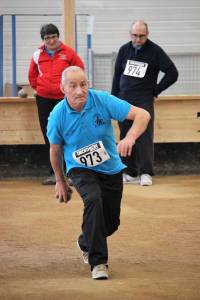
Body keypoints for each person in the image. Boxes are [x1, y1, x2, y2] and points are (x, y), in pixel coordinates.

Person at [47, 66, 150, 280]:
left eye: (83, 84)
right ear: (63, 88)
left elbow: (142, 114)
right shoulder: (57, 115)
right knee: (93, 200)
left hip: (110, 167)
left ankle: (85, 242)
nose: (79, 91)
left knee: (111, 223)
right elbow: (55, 150)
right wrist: (60, 180)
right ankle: (98, 263)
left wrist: (130, 137)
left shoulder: (102, 100)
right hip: (79, 167)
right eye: (73, 86)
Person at [111, 20, 178, 186]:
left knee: (144, 136)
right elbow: (117, 75)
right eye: (135, 35)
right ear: (130, 34)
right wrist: (113, 99)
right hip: (123, 99)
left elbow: (172, 73)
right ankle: (130, 172)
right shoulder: (124, 50)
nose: (138, 39)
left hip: (143, 99)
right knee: (125, 135)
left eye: (141, 36)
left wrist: (156, 90)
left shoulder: (155, 51)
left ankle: (146, 172)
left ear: (147, 35)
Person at [28, 23, 84, 185]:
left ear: (57, 36)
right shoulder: (37, 54)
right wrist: (39, 88)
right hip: (44, 99)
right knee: (50, 135)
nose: (51, 41)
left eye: (53, 37)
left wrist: (72, 90)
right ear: (43, 40)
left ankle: (72, 172)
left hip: (64, 99)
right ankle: (55, 173)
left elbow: (79, 70)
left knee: (69, 133)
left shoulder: (68, 53)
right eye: (47, 38)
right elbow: (32, 75)